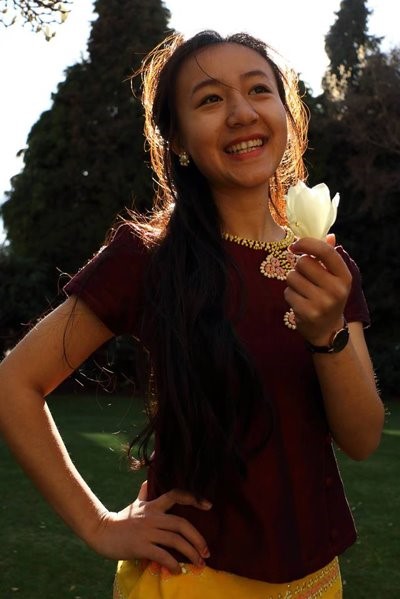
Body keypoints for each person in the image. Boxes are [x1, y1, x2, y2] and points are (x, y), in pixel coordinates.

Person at [0, 30, 384, 599]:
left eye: (259, 90)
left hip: (317, 580)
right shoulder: (148, 257)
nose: (241, 113)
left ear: (285, 112)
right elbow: (14, 381)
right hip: (194, 578)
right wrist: (99, 525)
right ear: (177, 139)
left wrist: (327, 334)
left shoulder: (323, 261)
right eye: (209, 99)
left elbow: (361, 437)